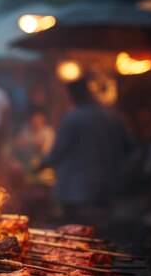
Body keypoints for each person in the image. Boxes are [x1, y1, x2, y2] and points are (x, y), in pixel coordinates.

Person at [37, 77, 136, 224]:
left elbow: (58, 152)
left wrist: (39, 166)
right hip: (108, 189)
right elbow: (130, 147)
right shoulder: (113, 116)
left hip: (76, 192)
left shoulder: (73, 119)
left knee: (74, 234)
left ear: (75, 95)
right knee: (105, 233)